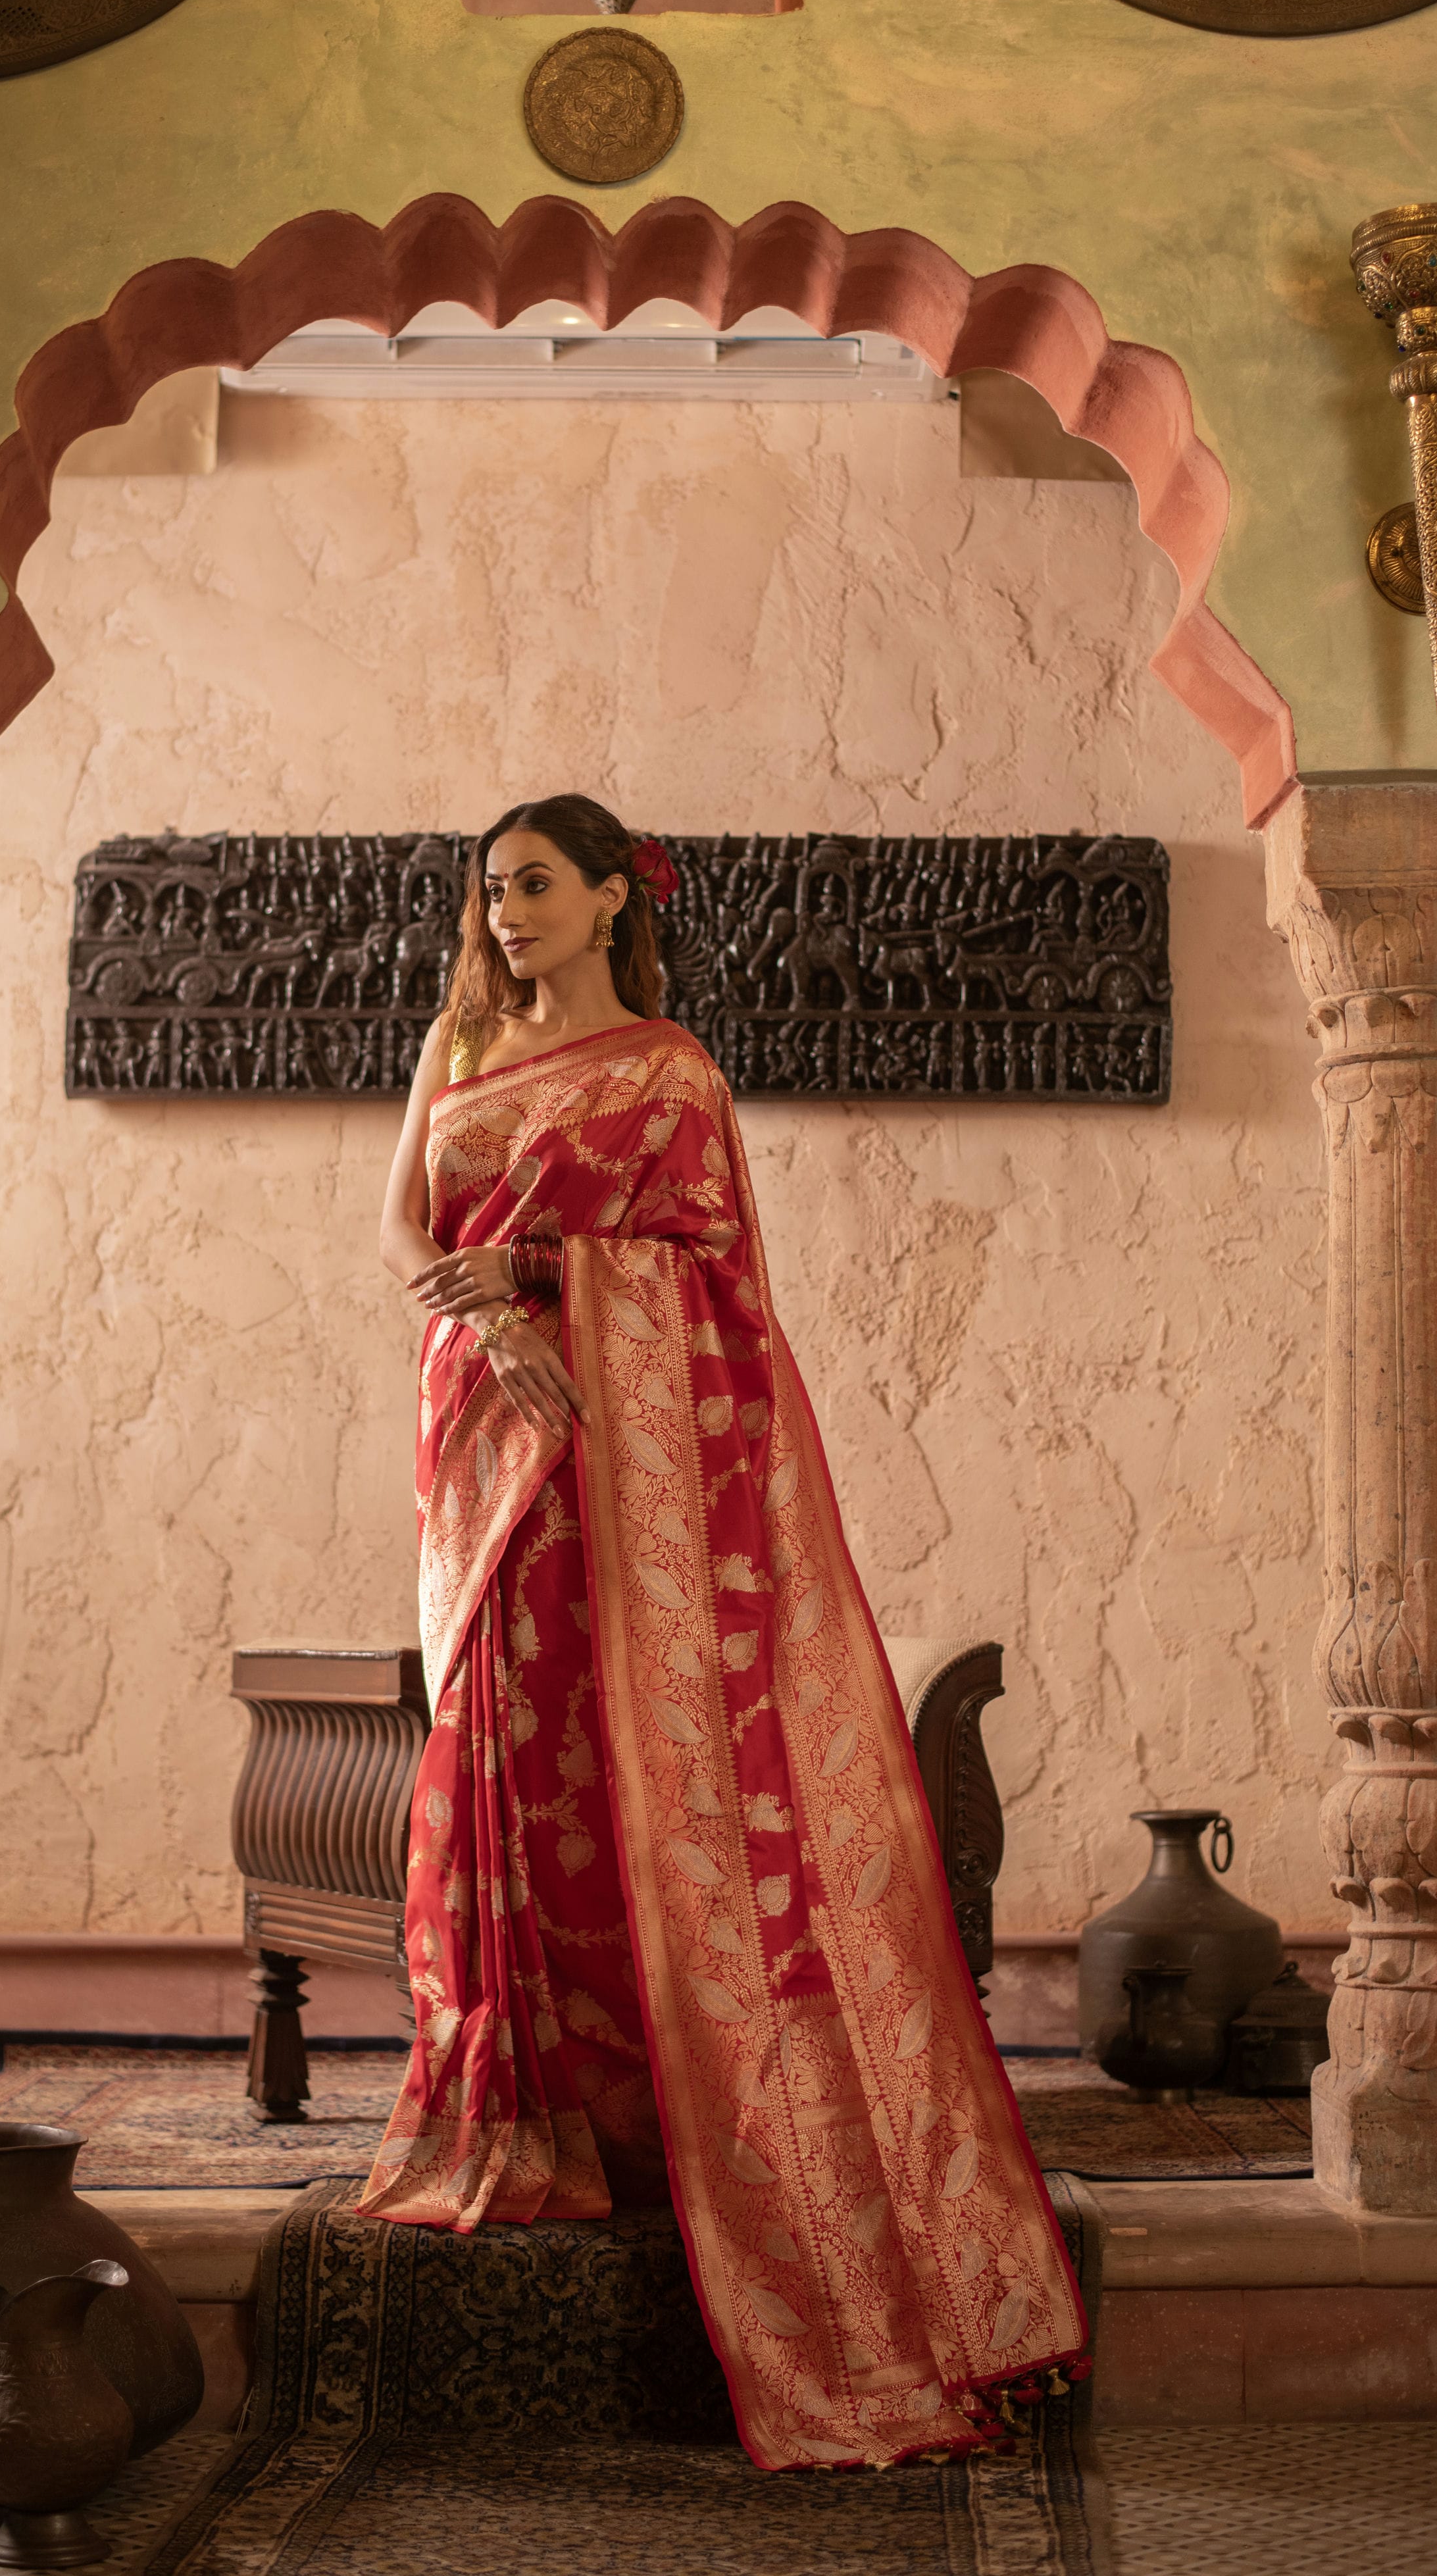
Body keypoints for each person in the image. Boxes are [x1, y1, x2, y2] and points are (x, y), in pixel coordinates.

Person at [359, 792, 1086, 2470]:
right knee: (502, 1754)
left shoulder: (672, 1073)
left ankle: (659, 2101)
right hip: (486, 1443)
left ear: (612, 898)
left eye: (534, 884)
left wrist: (564, 1295)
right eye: (491, 888)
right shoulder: (458, 1037)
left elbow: (710, 1282)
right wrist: (495, 1319)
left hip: (625, 1461)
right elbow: (401, 1227)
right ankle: (518, 2111)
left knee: (633, 1766)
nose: (505, 911)